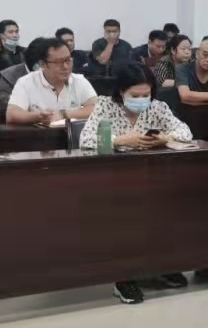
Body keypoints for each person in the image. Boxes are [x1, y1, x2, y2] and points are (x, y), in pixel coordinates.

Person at [77, 63, 193, 303]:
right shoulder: (105, 106)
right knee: (126, 216)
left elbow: (185, 132)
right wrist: (120, 140)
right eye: (135, 95)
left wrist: (165, 138)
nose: (141, 100)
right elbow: (86, 139)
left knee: (169, 211)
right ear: (121, 91)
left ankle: (161, 265)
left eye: (145, 95)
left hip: (152, 179)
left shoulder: (158, 107)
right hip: (112, 181)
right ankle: (123, 277)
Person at [6, 38, 98, 125]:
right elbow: (11, 115)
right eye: (58, 62)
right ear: (43, 64)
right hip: (40, 134)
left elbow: (97, 109)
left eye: (68, 60)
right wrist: (38, 117)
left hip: (73, 135)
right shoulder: (26, 82)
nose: (66, 66)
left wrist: (64, 114)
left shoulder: (79, 80)